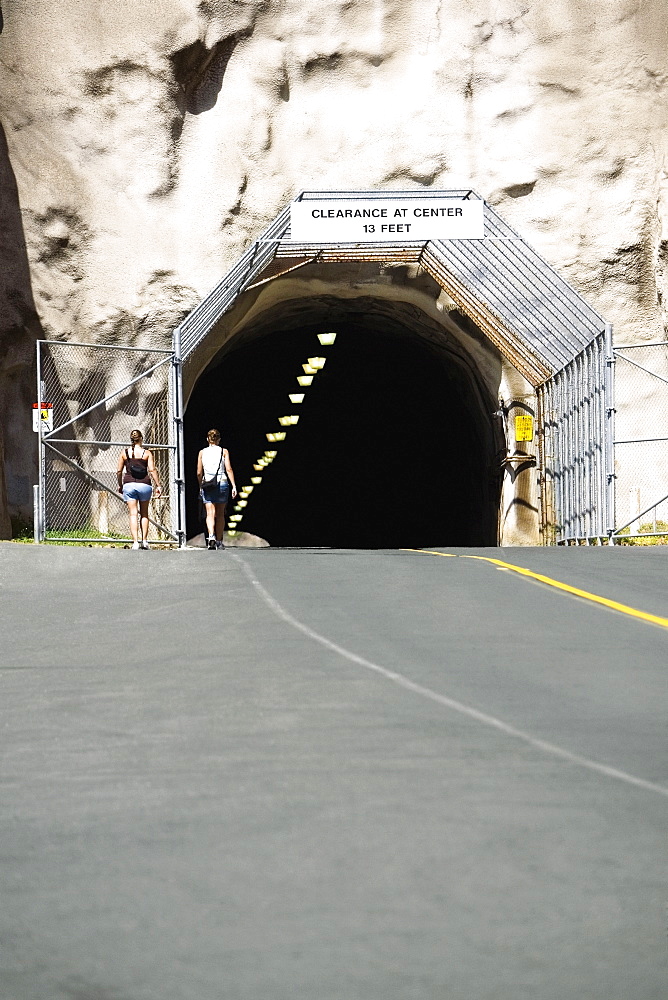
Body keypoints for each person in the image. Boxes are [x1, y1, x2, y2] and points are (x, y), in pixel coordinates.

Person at [116, 429, 161, 549]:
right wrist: (158, 485)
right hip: (144, 485)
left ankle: (135, 542)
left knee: (133, 514)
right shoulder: (146, 453)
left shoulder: (124, 453)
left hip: (129, 484)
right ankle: (144, 541)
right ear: (141, 438)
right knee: (144, 514)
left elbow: (119, 471)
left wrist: (120, 485)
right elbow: (152, 470)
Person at [197, 428, 237, 549]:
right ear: (219, 440)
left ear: (207, 439)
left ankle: (211, 537)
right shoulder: (224, 452)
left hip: (207, 484)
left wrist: (200, 485)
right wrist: (234, 485)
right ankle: (219, 541)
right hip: (222, 483)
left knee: (210, 513)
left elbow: (199, 472)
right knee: (220, 514)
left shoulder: (202, 453)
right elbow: (229, 469)